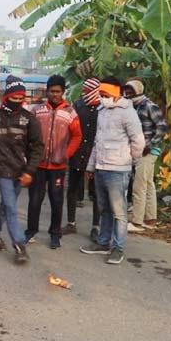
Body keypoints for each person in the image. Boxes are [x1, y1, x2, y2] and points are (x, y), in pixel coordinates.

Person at [80, 77, 144, 265]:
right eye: (101, 94)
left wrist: (131, 160)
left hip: (118, 170)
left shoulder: (128, 113)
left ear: (116, 93)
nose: (102, 97)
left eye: (105, 94)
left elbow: (138, 141)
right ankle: (103, 242)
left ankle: (118, 247)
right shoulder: (102, 111)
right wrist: (91, 166)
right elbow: (97, 142)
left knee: (119, 212)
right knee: (104, 209)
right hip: (101, 167)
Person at [0, 75, 44, 263]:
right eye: (13, 98)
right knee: (11, 208)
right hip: (1, 169)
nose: (17, 102)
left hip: (20, 170)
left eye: (20, 99)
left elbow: (37, 147)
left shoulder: (29, 119)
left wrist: (29, 171)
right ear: (7, 97)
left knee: (7, 206)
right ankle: (20, 245)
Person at [25, 75, 82, 249]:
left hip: (58, 166)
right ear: (47, 91)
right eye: (51, 91)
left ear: (63, 92)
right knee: (35, 200)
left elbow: (77, 136)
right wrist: (30, 155)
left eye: (58, 91)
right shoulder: (37, 110)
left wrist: (66, 154)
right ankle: (30, 231)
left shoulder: (70, 113)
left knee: (56, 200)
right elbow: (29, 134)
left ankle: (55, 234)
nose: (54, 95)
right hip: (38, 165)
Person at [124, 79, 168, 231]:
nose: (128, 93)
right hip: (138, 149)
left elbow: (162, 127)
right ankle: (150, 220)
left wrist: (150, 145)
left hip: (148, 150)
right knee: (148, 185)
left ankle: (136, 222)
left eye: (131, 91)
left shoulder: (149, 105)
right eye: (126, 90)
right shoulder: (131, 106)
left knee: (139, 186)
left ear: (138, 91)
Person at [64, 78, 102, 242]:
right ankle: (71, 223)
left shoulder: (103, 107)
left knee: (96, 194)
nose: (85, 93)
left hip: (95, 154)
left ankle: (95, 227)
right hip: (77, 153)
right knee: (72, 188)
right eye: (84, 90)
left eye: (88, 90)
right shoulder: (78, 106)